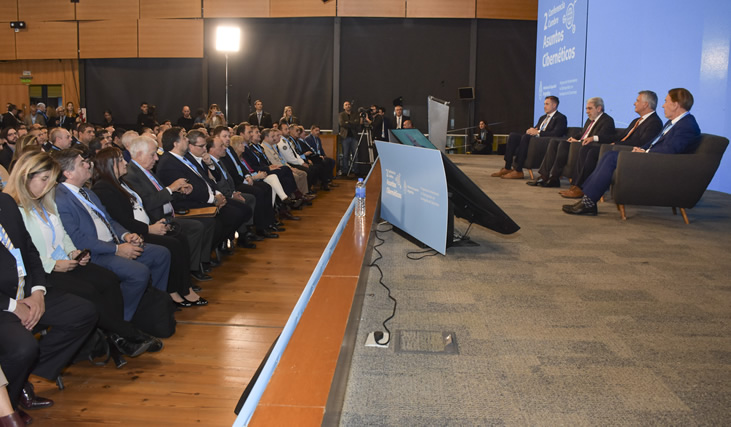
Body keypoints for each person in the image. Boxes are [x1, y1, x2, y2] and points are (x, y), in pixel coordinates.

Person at [6, 150, 155, 358]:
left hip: (65, 262)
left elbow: (64, 234)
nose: (50, 184)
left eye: (51, 179)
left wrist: (73, 251)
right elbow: (19, 254)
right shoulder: (15, 210)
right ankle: (125, 334)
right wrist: (52, 264)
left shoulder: (45, 202)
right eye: (44, 179)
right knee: (89, 291)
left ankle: (115, 336)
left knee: (109, 280)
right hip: (43, 272)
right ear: (25, 177)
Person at [0, 190, 97, 422]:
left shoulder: (5, 202)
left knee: (84, 312)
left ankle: (21, 379)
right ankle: (9, 403)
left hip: (27, 291)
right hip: (4, 304)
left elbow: (29, 250)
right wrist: (14, 305)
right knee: (23, 348)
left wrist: (37, 293)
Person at [52, 148, 171, 321]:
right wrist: (116, 249)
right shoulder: (61, 199)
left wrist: (126, 236)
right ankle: (122, 320)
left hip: (113, 243)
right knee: (138, 273)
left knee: (161, 254)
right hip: (95, 254)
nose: (88, 165)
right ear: (68, 173)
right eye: (82, 163)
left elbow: (109, 220)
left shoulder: (88, 192)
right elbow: (78, 239)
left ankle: (153, 309)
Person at [91, 147, 207, 307]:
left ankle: (183, 287)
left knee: (178, 237)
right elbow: (121, 220)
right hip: (132, 232)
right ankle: (174, 290)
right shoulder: (104, 188)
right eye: (121, 160)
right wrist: (149, 229)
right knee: (172, 244)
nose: (126, 162)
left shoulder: (121, 182)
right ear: (111, 165)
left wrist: (155, 225)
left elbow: (140, 207)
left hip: (144, 225)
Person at [563, 88, 701, 216]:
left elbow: (671, 150)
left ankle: (588, 202)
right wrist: (643, 149)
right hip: (651, 157)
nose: (663, 105)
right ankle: (588, 200)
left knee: (611, 157)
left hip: (660, 165)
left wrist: (645, 152)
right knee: (608, 155)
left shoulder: (686, 125)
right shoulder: (673, 122)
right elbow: (654, 141)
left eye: (666, 101)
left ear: (676, 104)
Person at [122, 135, 215, 279]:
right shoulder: (131, 175)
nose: (156, 158)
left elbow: (162, 195)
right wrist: (171, 189)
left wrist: (180, 191)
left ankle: (192, 268)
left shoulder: (146, 171)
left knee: (200, 226)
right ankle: (187, 273)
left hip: (167, 214)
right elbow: (148, 203)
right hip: (155, 220)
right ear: (140, 154)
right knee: (193, 229)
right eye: (153, 154)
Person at [560, 90, 664, 199]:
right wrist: (596, 138)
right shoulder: (636, 121)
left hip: (629, 152)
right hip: (618, 146)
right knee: (586, 149)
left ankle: (581, 188)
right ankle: (576, 185)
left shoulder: (654, 122)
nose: (634, 103)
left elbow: (642, 142)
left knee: (591, 152)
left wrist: (616, 144)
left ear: (645, 104)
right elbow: (618, 136)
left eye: (637, 101)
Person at [527, 97, 615, 188]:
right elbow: (582, 133)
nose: (587, 111)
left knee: (563, 145)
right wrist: (573, 138)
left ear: (599, 108)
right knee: (554, 142)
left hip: (589, 146)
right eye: (586, 109)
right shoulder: (589, 120)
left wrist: (579, 141)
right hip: (579, 143)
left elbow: (604, 137)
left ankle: (554, 178)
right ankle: (544, 176)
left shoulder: (607, 120)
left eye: (590, 108)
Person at [493, 96, 567, 178]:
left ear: (554, 105)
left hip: (545, 143)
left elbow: (556, 133)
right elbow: (536, 128)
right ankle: (507, 167)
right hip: (535, 140)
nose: (544, 106)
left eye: (547, 104)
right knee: (513, 136)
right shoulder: (543, 118)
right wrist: (531, 130)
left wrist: (538, 132)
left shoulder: (560, 118)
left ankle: (518, 171)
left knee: (526, 137)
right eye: (544, 104)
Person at [338, 101, 359, 176]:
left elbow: (357, 123)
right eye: (346, 105)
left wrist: (348, 122)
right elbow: (342, 123)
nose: (348, 106)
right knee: (345, 155)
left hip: (354, 137)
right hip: (345, 137)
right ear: (344, 107)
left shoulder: (355, 114)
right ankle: (345, 171)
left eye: (349, 104)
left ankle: (355, 171)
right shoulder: (341, 114)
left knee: (355, 155)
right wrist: (351, 123)